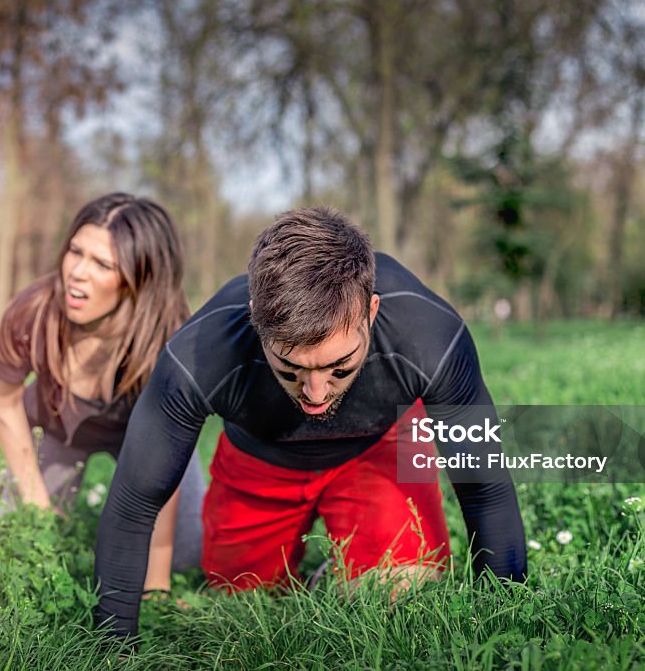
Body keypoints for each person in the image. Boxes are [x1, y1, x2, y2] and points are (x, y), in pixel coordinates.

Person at [94, 206, 526, 637]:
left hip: (376, 448)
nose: (316, 395)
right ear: (255, 320)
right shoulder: (199, 353)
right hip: (259, 459)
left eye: (339, 367)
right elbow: (134, 503)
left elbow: (484, 486)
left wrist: (506, 621)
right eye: (291, 369)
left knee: (405, 596)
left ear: (371, 313)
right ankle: (327, 578)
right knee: (243, 602)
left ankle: (354, 580)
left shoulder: (430, 335)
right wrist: (113, 647)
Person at [0, 192, 205, 590]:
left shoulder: (172, 335)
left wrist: (155, 584)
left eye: (103, 263)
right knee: (19, 543)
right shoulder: (31, 312)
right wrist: (37, 501)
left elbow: (168, 449)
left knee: (188, 556)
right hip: (57, 430)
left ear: (139, 279)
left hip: (144, 438)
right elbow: (5, 403)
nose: (77, 272)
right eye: (76, 252)